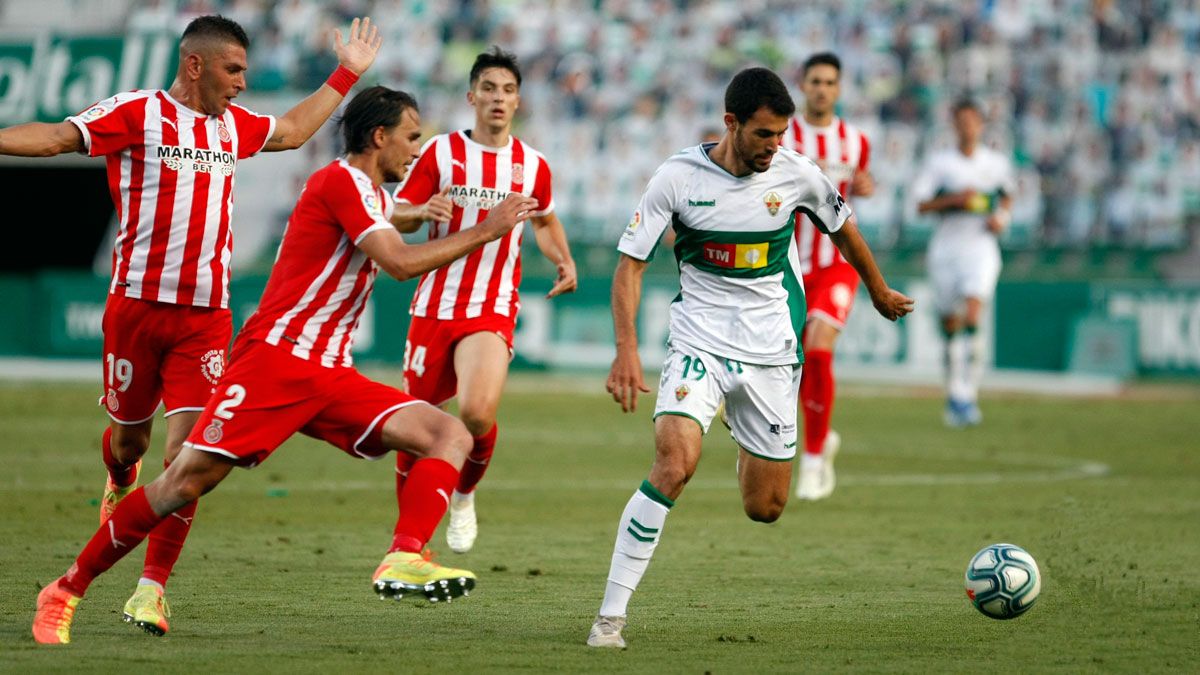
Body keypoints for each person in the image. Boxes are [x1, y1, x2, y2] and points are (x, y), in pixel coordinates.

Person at [31, 85, 542, 645]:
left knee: (448, 434)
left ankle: (403, 555)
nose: (418, 149)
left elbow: (398, 221)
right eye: (412, 136)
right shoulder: (340, 182)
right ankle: (66, 589)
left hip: (328, 372)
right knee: (183, 481)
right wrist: (488, 228)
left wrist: (420, 211)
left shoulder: (370, 193)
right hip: (275, 363)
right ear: (379, 136)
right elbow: (398, 263)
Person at [0, 15, 381, 635]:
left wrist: (348, 74)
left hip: (204, 321)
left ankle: (151, 590)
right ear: (196, 65)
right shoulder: (137, 112)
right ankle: (120, 476)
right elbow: (53, 138)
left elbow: (289, 130)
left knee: (188, 458)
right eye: (234, 70)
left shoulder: (235, 126)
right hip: (135, 310)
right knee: (132, 444)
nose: (242, 83)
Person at [588, 68, 913, 649]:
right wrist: (626, 350)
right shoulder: (676, 177)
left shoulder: (797, 174)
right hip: (700, 341)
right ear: (731, 123)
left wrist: (879, 290)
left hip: (770, 351)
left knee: (766, 507)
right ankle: (610, 618)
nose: (774, 146)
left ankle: (747, 435)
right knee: (673, 465)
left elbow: (845, 229)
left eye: (781, 134)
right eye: (764, 134)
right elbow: (630, 265)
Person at [388, 47, 577, 554]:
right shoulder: (440, 153)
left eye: (508, 90)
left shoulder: (532, 165)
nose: (499, 97)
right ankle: (411, 546)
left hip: (491, 306)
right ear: (472, 97)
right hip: (433, 304)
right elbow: (395, 214)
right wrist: (418, 211)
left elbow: (544, 219)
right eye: (489, 88)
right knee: (415, 429)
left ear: (518, 102)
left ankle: (465, 494)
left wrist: (564, 258)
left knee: (475, 413)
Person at [781, 52, 874, 501]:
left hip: (836, 264)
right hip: (787, 266)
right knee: (790, 365)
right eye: (814, 80)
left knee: (818, 349)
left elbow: (856, 192)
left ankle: (813, 459)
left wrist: (867, 186)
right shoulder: (783, 135)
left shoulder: (855, 142)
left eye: (830, 82)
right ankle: (819, 436)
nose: (821, 89)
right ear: (803, 85)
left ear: (839, 89)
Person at [912, 98, 1014, 427]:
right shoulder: (940, 163)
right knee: (950, 325)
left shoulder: (996, 163)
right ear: (954, 125)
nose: (968, 126)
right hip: (946, 248)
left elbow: (1007, 195)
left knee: (973, 315)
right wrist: (955, 199)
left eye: (973, 121)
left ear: (982, 125)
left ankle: (968, 395)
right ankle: (955, 392)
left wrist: (1002, 217)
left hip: (980, 247)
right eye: (962, 121)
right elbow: (921, 205)